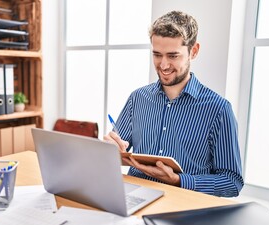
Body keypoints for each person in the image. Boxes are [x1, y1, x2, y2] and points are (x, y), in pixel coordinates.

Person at [104, 10, 244, 197]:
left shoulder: (218, 109)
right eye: (157, 55)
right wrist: (111, 149)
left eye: (172, 56)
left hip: (183, 208)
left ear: (193, 51)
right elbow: (119, 150)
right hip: (133, 199)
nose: (163, 65)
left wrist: (178, 180)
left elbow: (232, 182)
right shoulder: (137, 98)